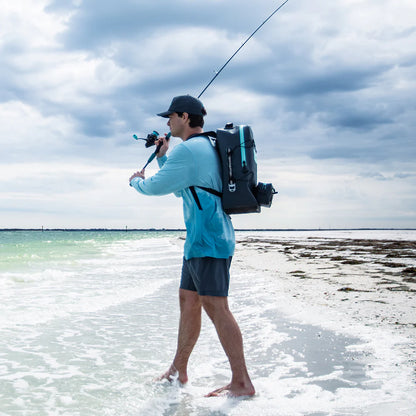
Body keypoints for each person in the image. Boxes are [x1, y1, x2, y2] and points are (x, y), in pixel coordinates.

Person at [129, 95, 255, 397]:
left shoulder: (189, 150)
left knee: (216, 306)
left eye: (170, 117)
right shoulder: (204, 147)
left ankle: (242, 382)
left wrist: (136, 181)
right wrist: (162, 156)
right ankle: (179, 369)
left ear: (185, 117)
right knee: (189, 301)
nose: (167, 123)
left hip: (209, 240)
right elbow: (179, 187)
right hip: (201, 241)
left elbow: (157, 187)